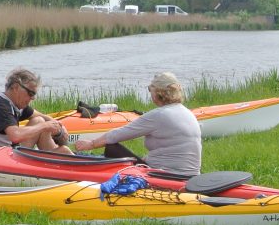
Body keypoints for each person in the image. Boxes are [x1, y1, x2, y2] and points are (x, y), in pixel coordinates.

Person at [74, 71, 202, 175]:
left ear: (159, 93)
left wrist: (91, 144)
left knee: (112, 149)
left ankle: (78, 162)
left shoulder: (159, 115)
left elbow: (116, 135)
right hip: (191, 175)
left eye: (150, 90)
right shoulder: (187, 113)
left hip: (167, 175)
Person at [0, 68, 73, 154]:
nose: (33, 98)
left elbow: (40, 116)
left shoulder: (15, 103)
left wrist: (60, 126)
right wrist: (45, 126)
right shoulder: (0, 104)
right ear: (16, 87)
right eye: (30, 93)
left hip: (7, 152)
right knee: (44, 127)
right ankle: (62, 158)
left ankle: (57, 155)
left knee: (38, 120)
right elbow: (15, 136)